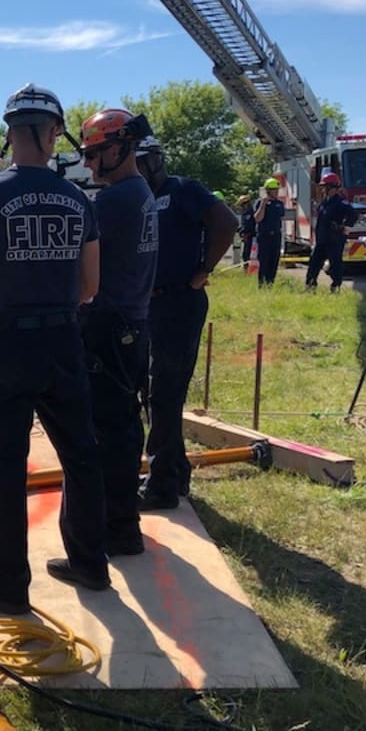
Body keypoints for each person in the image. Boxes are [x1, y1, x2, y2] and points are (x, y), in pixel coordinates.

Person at [0, 84, 109, 614]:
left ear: (10, 133)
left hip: (8, 343)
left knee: (8, 466)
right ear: (51, 134)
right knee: (81, 454)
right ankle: (90, 561)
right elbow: (91, 285)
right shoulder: (79, 199)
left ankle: (10, 584)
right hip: (63, 339)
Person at [135, 138, 237, 510]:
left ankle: (161, 486)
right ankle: (174, 472)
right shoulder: (139, 198)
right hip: (150, 304)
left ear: (154, 162)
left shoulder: (182, 190)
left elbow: (226, 221)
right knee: (155, 394)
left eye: (143, 163)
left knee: (164, 392)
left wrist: (203, 270)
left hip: (179, 300)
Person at [77, 109, 159, 556]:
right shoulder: (138, 191)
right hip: (131, 323)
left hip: (109, 326)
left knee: (107, 430)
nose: (88, 164)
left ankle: (118, 528)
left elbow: (76, 259)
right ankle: (122, 522)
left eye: (94, 154)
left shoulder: (114, 202)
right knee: (123, 426)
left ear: (122, 147)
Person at [305, 171, 358, 292]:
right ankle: (310, 286)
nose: (323, 189)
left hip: (334, 239)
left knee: (335, 264)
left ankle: (336, 286)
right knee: (314, 263)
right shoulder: (325, 202)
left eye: (326, 187)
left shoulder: (340, 202)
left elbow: (353, 214)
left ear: (333, 188)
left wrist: (347, 227)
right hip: (322, 239)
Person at [254, 177, 286, 287]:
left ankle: (270, 284)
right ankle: (261, 284)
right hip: (264, 236)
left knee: (274, 262)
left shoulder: (279, 204)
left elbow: (281, 216)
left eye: (277, 189)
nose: (276, 192)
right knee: (264, 262)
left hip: (276, 236)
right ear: (268, 191)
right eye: (274, 190)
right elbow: (258, 218)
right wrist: (263, 205)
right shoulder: (260, 202)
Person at [237, 193, 257, 264]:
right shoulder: (244, 213)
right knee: (245, 254)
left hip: (251, 237)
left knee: (250, 254)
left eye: (243, 205)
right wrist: (241, 232)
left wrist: (247, 233)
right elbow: (243, 225)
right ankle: (246, 268)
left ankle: (250, 269)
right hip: (246, 237)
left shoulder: (251, 213)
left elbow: (251, 225)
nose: (242, 207)